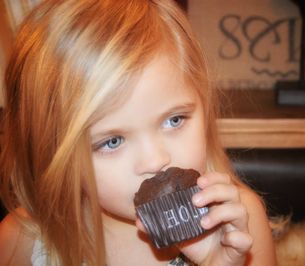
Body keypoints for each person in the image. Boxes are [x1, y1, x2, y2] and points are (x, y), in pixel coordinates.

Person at [0, 0, 277, 265]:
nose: (155, 160)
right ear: (52, 150)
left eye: (174, 120)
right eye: (112, 141)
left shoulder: (239, 224)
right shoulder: (20, 240)